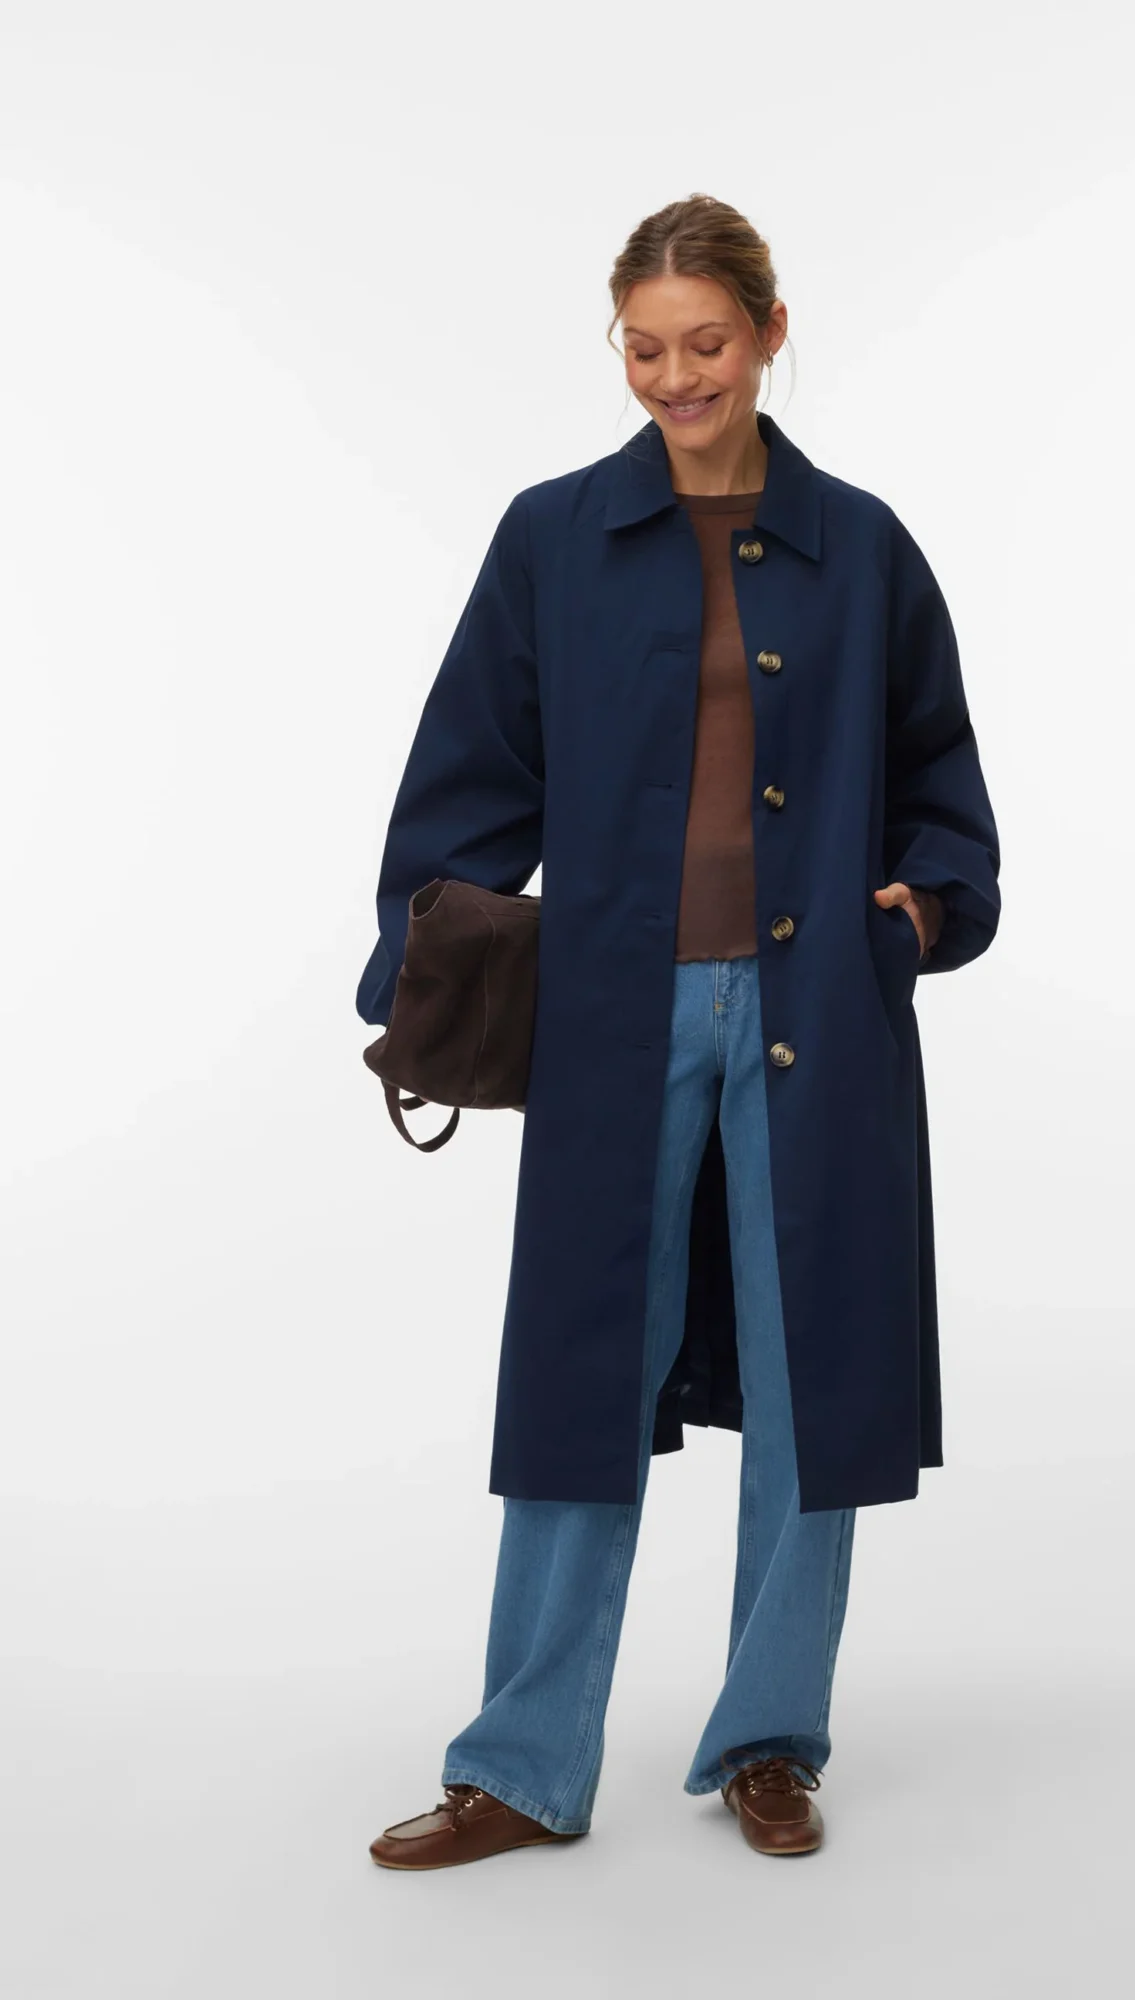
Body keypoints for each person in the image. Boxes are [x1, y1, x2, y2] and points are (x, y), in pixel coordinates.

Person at [356, 193, 1001, 1867]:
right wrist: (417, 966)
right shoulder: (553, 538)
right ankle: (519, 1766)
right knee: (578, 1373)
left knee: (812, 1378)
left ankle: (772, 1737)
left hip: (817, 1019)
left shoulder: (863, 547)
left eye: (704, 343)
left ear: (771, 334)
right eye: (642, 349)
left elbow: (941, 778)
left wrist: (918, 914)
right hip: (609, 1020)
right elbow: (467, 773)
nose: (674, 379)